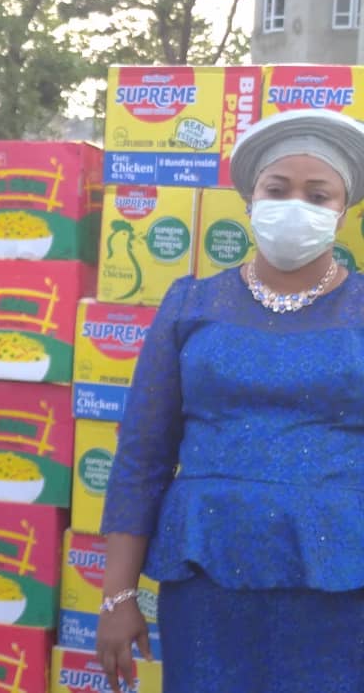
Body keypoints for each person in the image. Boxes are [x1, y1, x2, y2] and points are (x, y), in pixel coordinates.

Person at [96, 108, 364, 693]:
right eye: (278, 189)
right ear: (250, 200)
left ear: (342, 213)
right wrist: (117, 595)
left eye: (318, 195)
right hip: (206, 576)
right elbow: (142, 455)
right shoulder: (192, 304)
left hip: (342, 583)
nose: (296, 205)